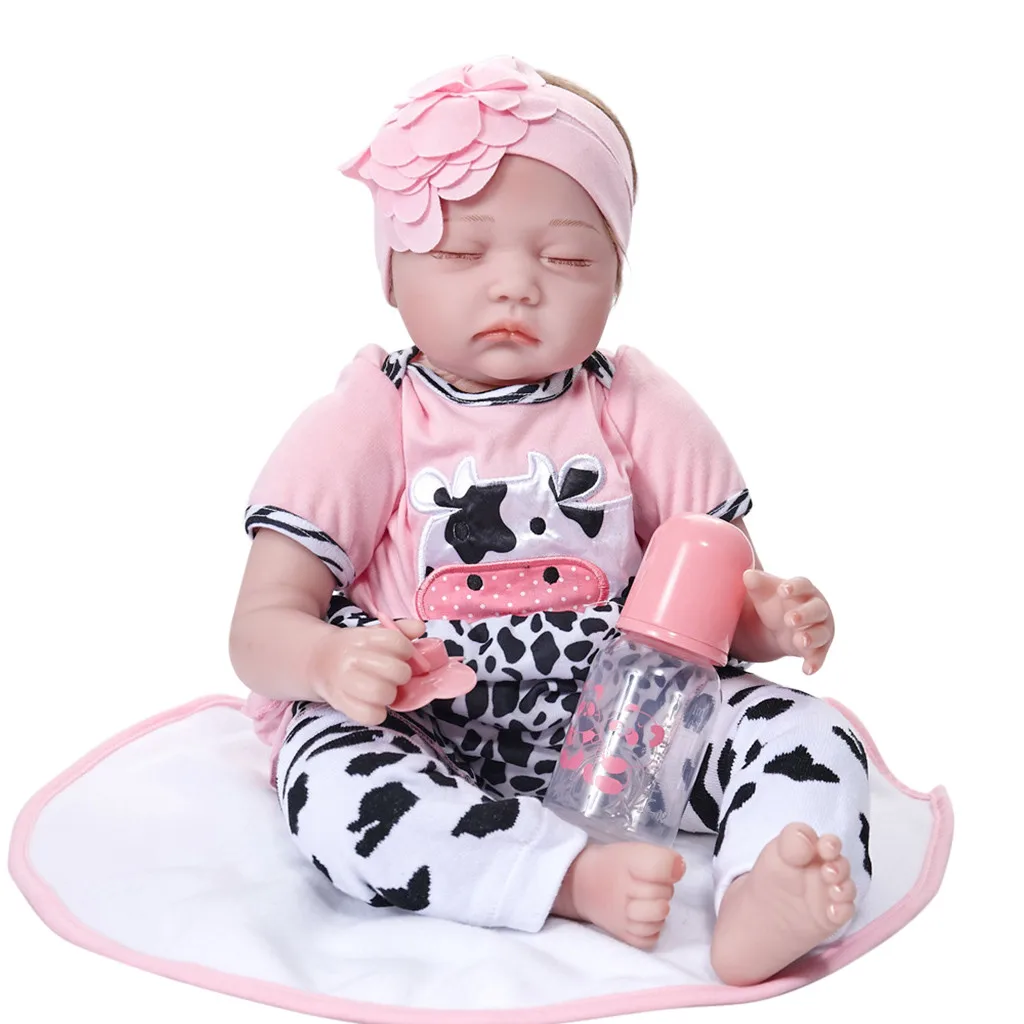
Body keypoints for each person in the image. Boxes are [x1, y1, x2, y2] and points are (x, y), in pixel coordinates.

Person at [229, 56, 871, 986]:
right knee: (334, 784)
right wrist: (331, 662)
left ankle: (764, 886)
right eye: (462, 253)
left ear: (615, 277)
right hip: (423, 724)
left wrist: (765, 621)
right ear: (393, 273)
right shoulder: (370, 416)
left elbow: (718, 614)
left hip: (629, 726)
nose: (515, 287)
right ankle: (567, 878)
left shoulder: (637, 406)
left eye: (566, 259)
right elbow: (258, 629)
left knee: (806, 731)